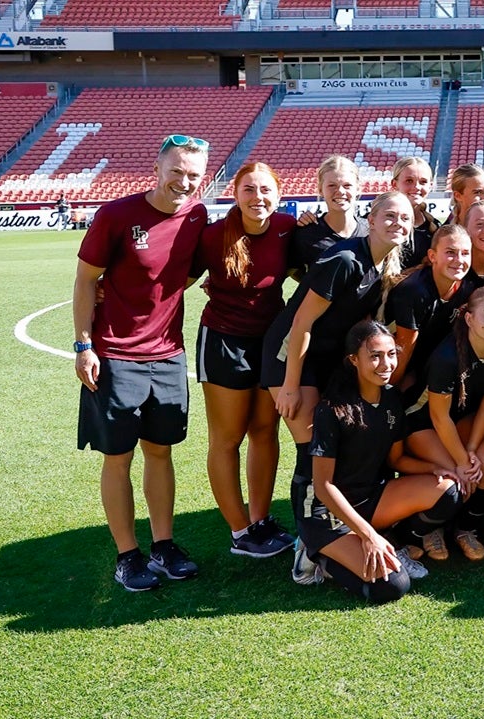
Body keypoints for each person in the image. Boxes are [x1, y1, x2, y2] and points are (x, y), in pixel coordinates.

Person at [74, 133, 210, 591]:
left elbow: (185, 273)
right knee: (118, 457)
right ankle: (127, 555)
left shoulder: (197, 214)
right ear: (157, 168)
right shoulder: (115, 215)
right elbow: (84, 280)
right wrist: (82, 344)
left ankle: (164, 545)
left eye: (193, 175)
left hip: (169, 355)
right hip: (114, 356)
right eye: (177, 171)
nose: (184, 181)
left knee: (161, 452)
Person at [263, 191, 409, 515]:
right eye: (390, 216)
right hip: (292, 356)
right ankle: (308, 542)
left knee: (333, 446)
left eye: (404, 218)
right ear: (370, 220)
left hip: (326, 359)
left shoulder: (383, 263)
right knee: (311, 449)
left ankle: (335, 525)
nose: (397, 222)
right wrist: (290, 385)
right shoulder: (345, 260)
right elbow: (301, 322)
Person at [292, 321, 460, 603]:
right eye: (375, 356)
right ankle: (314, 555)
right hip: (326, 513)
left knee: (448, 490)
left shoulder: (392, 398)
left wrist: (435, 470)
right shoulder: (332, 409)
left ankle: (393, 545)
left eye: (391, 354)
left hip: (370, 499)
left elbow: (397, 460)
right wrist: (367, 535)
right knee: (392, 586)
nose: (386, 363)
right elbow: (323, 487)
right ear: (353, 360)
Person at [193, 161, 297, 558]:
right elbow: (173, 281)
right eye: (249, 190)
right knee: (227, 438)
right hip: (223, 341)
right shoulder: (213, 236)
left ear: (278, 193)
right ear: (234, 194)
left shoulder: (289, 228)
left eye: (265, 190)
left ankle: (260, 519)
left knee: (265, 431)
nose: (258, 198)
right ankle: (240, 532)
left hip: (270, 342)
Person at [404, 286, 484, 561]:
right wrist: (462, 461)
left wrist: (472, 448)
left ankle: (465, 528)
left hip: (462, 419)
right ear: (469, 319)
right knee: (455, 475)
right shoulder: (447, 357)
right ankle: (425, 529)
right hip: (421, 421)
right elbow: (438, 417)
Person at [385, 223, 474, 393]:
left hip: (425, 361)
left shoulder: (467, 289)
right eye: (450, 253)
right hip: (392, 361)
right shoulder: (413, 291)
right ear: (432, 256)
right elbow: (403, 351)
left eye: (465, 253)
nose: (459, 260)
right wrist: (389, 394)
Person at [292, 155, 368, 276]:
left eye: (347, 185)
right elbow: (293, 271)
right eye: (332, 185)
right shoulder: (306, 234)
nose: (340, 191)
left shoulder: (371, 231)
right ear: (320, 190)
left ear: (358, 189)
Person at [390, 156, 441, 267]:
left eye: (423, 182)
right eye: (409, 181)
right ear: (394, 184)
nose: (416, 187)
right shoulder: (377, 222)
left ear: (430, 186)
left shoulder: (435, 227)